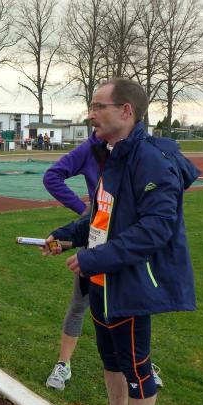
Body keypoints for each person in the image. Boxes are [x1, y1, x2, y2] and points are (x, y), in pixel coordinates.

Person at [43, 78, 199, 405]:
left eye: (99, 106)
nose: (90, 114)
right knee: (110, 359)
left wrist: (95, 259)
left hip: (129, 283)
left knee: (136, 367)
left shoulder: (150, 159)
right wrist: (65, 236)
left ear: (126, 111)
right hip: (102, 284)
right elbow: (101, 216)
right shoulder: (111, 153)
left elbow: (156, 230)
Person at [41, 134, 164, 391]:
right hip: (94, 239)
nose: (95, 118)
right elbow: (52, 176)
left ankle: (142, 364)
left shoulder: (141, 150)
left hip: (128, 245)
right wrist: (84, 211)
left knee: (133, 306)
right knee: (80, 303)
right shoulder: (91, 148)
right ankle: (63, 363)